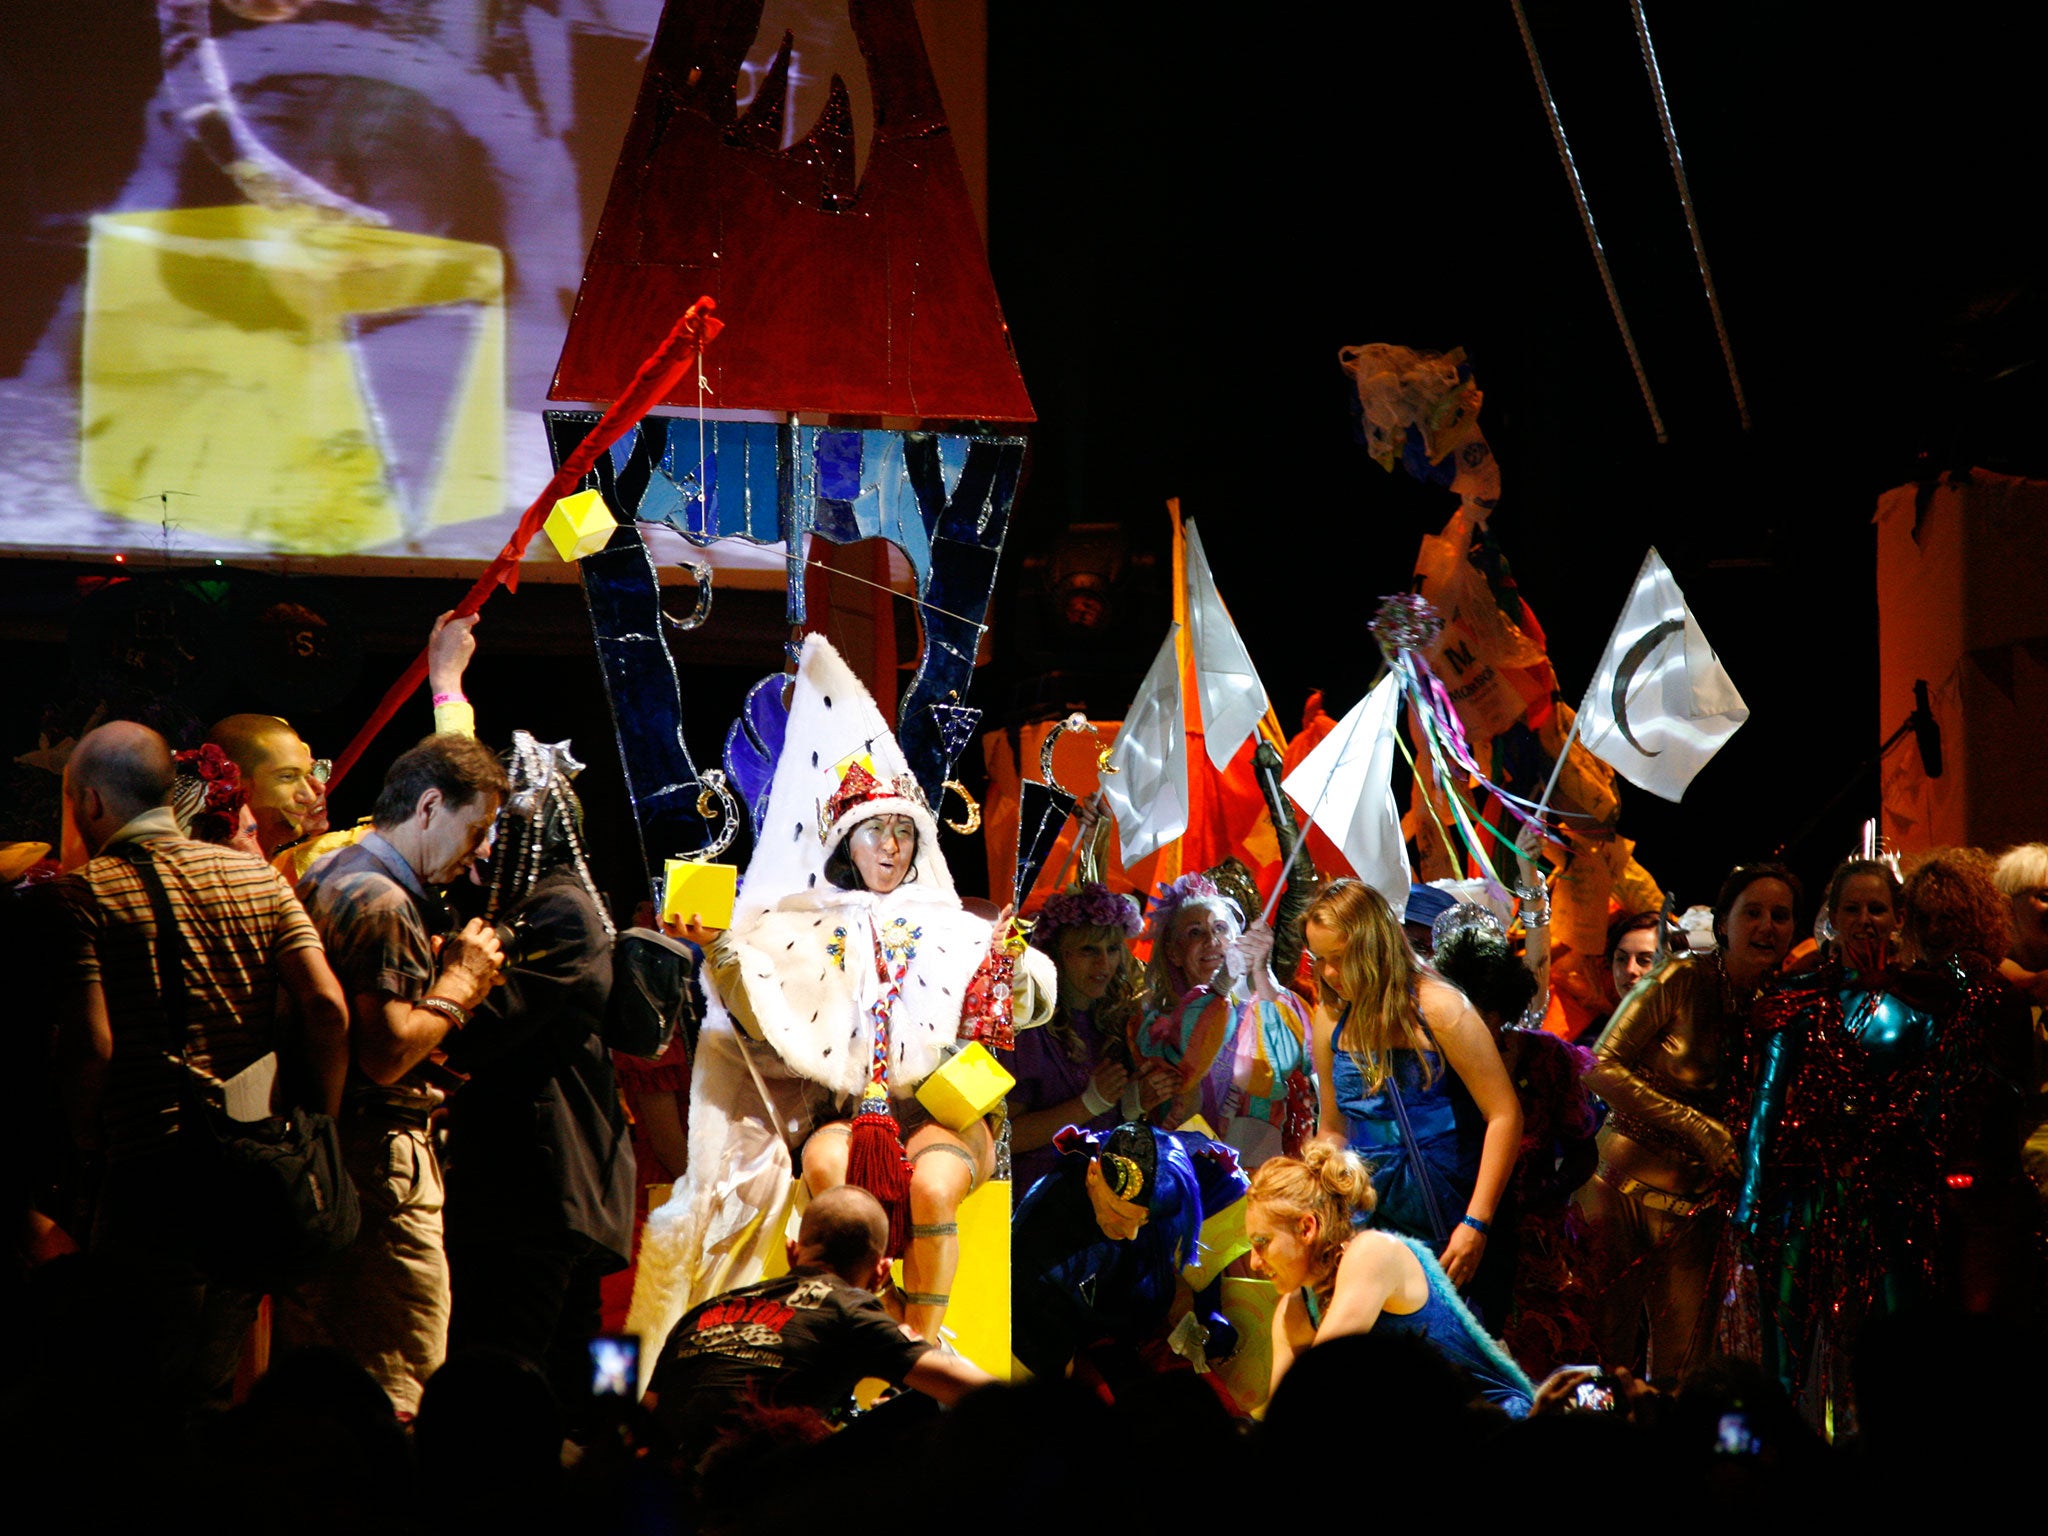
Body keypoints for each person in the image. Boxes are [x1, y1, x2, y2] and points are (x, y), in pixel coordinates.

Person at [629, 636, 1053, 1359]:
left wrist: (1012, 965)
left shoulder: (956, 922)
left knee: (933, 1188)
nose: (889, 847)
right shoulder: (805, 921)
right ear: (844, 846)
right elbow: (763, 1003)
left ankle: (919, 1342)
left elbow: (1034, 996)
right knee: (827, 1180)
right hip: (850, 1114)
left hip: (942, 1112)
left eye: (900, 832)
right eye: (873, 833)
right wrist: (723, 948)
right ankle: (851, 1330)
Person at [52, 721, 350, 1420]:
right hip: (252, 1171)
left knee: (136, 1397)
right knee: (215, 1390)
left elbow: (91, 1045)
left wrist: (85, 1137)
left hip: (148, 1175)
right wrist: (318, 1124)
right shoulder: (259, 879)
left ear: (90, 803)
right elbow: (328, 1009)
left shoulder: (82, 897)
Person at [1730, 853, 2026, 1431]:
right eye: (1852, 908)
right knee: (1788, 1343)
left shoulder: (1926, 1004)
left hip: (1893, 1202)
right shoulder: (1798, 1001)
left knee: (1894, 1345)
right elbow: (1766, 1102)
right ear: (1831, 918)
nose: (1865, 920)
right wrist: (1750, 1200)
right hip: (1804, 1198)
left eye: (1877, 908)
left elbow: (1946, 1101)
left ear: (1898, 919)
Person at [276, 732, 509, 1414]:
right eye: (478, 828)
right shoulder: (382, 902)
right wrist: (461, 985)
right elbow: (386, 1053)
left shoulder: (331, 870)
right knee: (397, 1374)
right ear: (431, 806)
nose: (483, 848)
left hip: (328, 1152)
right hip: (379, 1163)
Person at [440, 734, 636, 1432]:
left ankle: (551, 1479)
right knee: (572, 1361)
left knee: (507, 1365)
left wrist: (446, 982)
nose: (483, 846)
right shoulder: (553, 906)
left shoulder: (558, 911)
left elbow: (486, 1025)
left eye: (498, 828)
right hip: (553, 1186)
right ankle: (600, 1468)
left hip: (542, 1185)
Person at [1578, 861, 1798, 1379]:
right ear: (1724, 924)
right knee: (1603, 1364)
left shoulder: (1783, 1007)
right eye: (1754, 913)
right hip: (1616, 1193)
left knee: (1684, 1373)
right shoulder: (1680, 977)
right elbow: (1599, 1067)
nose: (1767, 926)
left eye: (1781, 915)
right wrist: (1696, 1126)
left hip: (1699, 1209)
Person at [644, 1185, 993, 1481]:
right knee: (929, 1404)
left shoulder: (706, 1310)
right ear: (880, 1274)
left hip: (665, 1496)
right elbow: (969, 1386)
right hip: (754, 1498)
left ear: (792, 1251)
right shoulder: (846, 1308)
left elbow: (646, 1413)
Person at [1303, 878, 1523, 1325]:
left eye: (1339, 959)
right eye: (1320, 960)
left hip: (1451, 1211)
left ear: (1373, 946)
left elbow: (1504, 1115)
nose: (1328, 974)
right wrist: (1318, 1194)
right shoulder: (1329, 1017)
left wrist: (1475, 1224)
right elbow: (1332, 1126)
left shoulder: (1441, 1007)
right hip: (1371, 1214)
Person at [1432, 913, 1601, 1376]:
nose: (1470, 1022)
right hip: (1453, 1237)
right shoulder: (1432, 1064)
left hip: (1536, 1252)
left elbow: (1585, 1153)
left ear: (1502, 1010)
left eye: (1484, 1011)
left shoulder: (1547, 1059)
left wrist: (1536, 1200)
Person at [1246, 1144, 1533, 1415]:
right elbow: (1283, 1423)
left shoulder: (1373, 1253)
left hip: (1497, 1432)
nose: (1254, 1262)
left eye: (1263, 1242)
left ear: (1307, 1228)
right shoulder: (1293, 1310)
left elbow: (1323, 1381)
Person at [207, 610, 481, 875]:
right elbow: (446, 822)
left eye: (315, 772)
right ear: (233, 786)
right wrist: (447, 682)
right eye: (288, 776)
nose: (313, 791)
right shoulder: (301, 867)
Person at [1010, 1121, 1249, 1397]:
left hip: (1154, 1328)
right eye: (1120, 1214)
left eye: (1145, 1219)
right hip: (1086, 1349)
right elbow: (1048, 1379)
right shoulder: (1041, 1245)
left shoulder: (1169, 1166)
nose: (1132, 1233)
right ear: (1092, 1173)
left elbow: (1213, 1215)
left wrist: (1209, 1307)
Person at [1134, 873, 1316, 1168]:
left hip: (1265, 1180)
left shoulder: (1263, 1011)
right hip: (1193, 1182)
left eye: (1220, 928)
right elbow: (1190, 1051)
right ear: (1173, 953)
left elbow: (1300, 1054)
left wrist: (1262, 972)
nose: (1211, 940)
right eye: (1195, 932)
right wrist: (1223, 982)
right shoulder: (1156, 1027)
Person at [1006, 884, 1167, 1198]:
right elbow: (1006, 1135)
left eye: (1112, 949)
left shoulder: (1118, 1023)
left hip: (1104, 1202)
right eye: (1088, 950)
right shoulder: (1029, 1027)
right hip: (1040, 1202)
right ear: (1056, 955)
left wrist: (1131, 1107)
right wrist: (1085, 1105)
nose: (1104, 964)